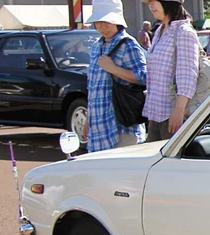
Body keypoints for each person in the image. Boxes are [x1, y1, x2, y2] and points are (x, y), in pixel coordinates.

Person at [83, 0, 147, 152]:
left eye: (108, 22)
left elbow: (144, 77)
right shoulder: (96, 46)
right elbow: (93, 87)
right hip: (98, 126)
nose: (103, 27)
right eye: (98, 22)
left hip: (122, 127)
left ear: (118, 21)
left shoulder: (128, 44)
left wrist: (114, 69)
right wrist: (88, 119)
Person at [142, 0, 199, 141]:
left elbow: (187, 72)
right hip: (155, 113)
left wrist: (179, 110)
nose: (150, 6)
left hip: (172, 113)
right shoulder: (160, 30)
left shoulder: (184, 31)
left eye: (154, 2)